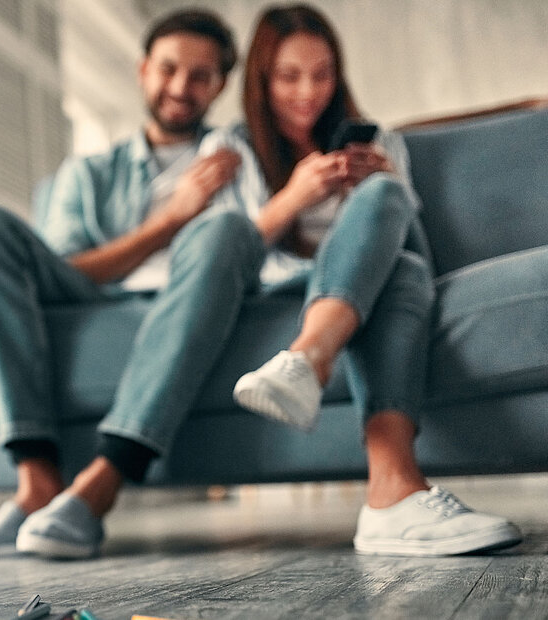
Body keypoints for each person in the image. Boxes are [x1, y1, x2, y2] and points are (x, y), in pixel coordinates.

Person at [0, 9, 254, 561]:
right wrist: (172, 219)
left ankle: (100, 487)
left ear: (221, 85)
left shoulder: (240, 157)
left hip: (195, 300)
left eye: (200, 75)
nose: (181, 86)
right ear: (143, 70)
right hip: (97, 297)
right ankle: (37, 482)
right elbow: (67, 275)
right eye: (169, 68)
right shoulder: (90, 174)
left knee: (226, 228)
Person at [208, 3, 521, 556]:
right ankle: (390, 494)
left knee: (390, 218)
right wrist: (293, 200)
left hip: (381, 270)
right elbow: (224, 258)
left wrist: (379, 186)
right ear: (260, 80)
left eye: (322, 74)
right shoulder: (232, 151)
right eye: (289, 76)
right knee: (401, 272)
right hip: (288, 287)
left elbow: (413, 242)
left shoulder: (378, 140)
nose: (309, 92)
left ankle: (306, 360)